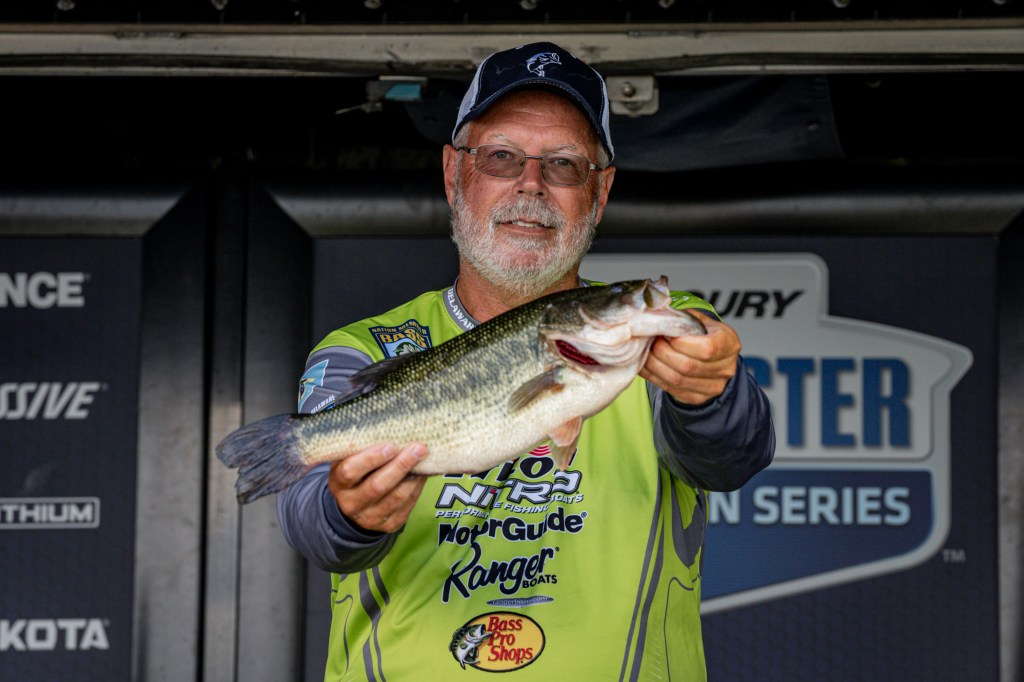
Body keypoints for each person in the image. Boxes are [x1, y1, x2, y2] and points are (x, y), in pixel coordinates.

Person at [278, 41, 774, 680]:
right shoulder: (361, 351)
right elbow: (308, 524)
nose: (531, 183)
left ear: (600, 191)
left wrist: (711, 394)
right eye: (501, 157)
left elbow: (733, 456)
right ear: (454, 173)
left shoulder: (656, 333)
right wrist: (349, 513)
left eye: (564, 164)